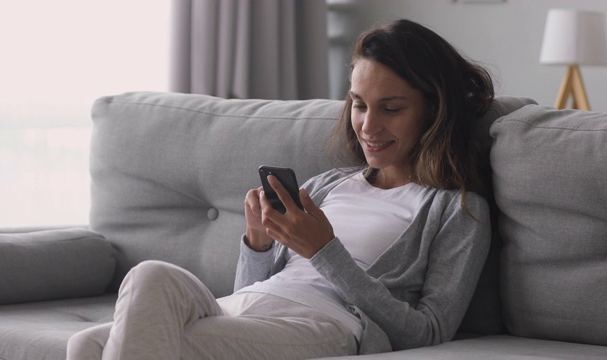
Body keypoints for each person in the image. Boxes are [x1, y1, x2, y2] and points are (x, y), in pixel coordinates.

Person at [67, 18, 494, 359]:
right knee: (126, 299)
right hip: (245, 307)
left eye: (392, 108)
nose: (368, 126)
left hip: (323, 326)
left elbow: (428, 331)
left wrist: (325, 250)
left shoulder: (456, 209)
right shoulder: (326, 186)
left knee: (108, 348)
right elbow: (248, 290)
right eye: (359, 105)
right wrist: (256, 243)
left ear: (433, 110)